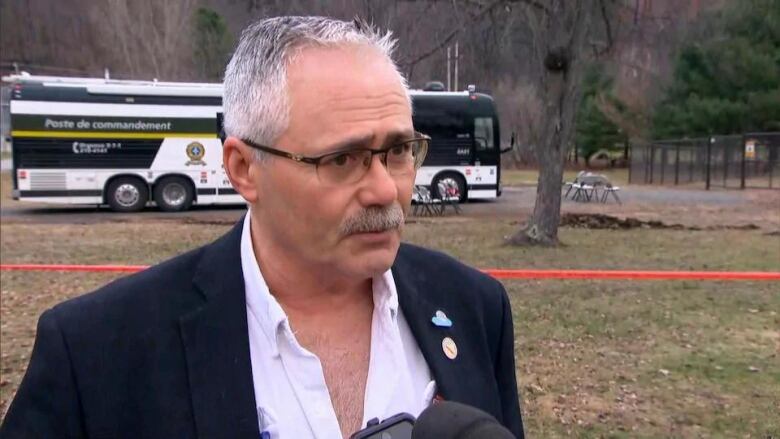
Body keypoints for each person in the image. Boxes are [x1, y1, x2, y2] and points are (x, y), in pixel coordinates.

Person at [0, 16, 524, 439]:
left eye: (400, 151)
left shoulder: (474, 308)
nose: (386, 190)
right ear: (245, 169)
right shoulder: (96, 352)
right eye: (342, 159)